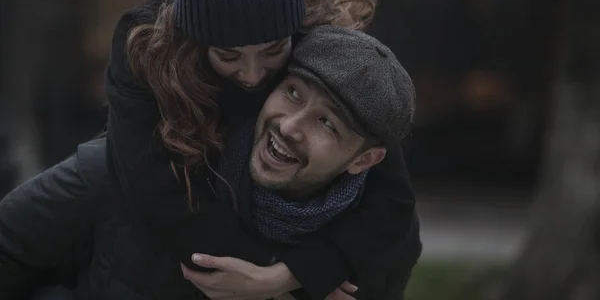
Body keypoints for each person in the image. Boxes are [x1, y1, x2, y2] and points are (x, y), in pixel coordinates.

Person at [107, 0, 417, 298]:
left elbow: (390, 192)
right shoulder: (142, 50)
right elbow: (162, 201)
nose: (253, 76)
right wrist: (282, 285)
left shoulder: (310, 32)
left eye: (273, 52)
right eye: (229, 56)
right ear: (197, 45)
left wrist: (296, 272)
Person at [0, 25, 421, 300]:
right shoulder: (139, 165)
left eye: (327, 123)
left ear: (365, 159)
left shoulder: (378, 252)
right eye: (292, 92)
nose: (290, 126)